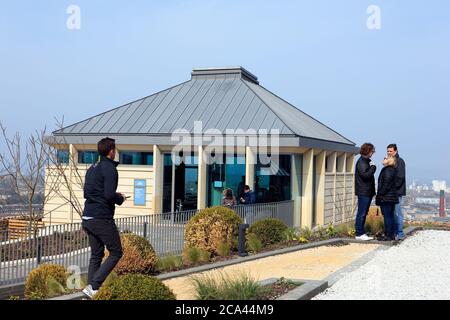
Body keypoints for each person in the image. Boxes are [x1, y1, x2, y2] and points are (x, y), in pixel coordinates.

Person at [81, 137, 126, 299]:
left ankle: (90, 291)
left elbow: (87, 193)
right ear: (111, 151)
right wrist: (119, 198)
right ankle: (94, 286)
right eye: (115, 149)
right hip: (101, 218)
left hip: (87, 217)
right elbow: (108, 195)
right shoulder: (110, 169)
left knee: (97, 254)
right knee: (116, 252)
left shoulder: (92, 168)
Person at [354, 143, 377, 241]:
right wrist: (373, 168)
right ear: (368, 151)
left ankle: (361, 232)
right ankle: (359, 233)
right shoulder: (361, 162)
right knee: (362, 213)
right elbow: (365, 176)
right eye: (372, 151)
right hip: (364, 192)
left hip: (367, 191)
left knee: (364, 212)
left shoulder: (365, 161)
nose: (373, 153)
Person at [376, 156, 399, 241]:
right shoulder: (391, 170)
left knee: (387, 217)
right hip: (389, 197)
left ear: (389, 161)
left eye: (385, 158)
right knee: (389, 216)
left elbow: (386, 184)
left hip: (386, 197)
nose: (383, 159)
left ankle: (388, 235)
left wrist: (380, 195)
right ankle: (390, 234)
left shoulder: (388, 170)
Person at [387, 144, 406, 240]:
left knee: (397, 213)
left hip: (397, 192)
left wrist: (392, 188)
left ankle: (400, 233)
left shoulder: (400, 161)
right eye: (388, 151)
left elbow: (400, 177)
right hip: (391, 192)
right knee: (393, 213)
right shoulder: (390, 161)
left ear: (396, 151)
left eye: (390, 151)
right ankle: (395, 232)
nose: (389, 153)